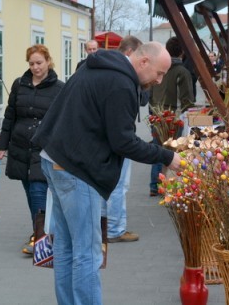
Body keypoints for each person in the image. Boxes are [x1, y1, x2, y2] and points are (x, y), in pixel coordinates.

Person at [32, 41, 182, 305]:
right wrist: (167, 157)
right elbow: (123, 141)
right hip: (77, 170)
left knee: (67, 247)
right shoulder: (121, 84)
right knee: (88, 253)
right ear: (143, 61)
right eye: (159, 73)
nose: (159, 81)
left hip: (55, 159)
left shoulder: (100, 66)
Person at [0, 44, 64, 255]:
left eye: (39, 63)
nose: (35, 67)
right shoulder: (19, 84)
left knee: (37, 190)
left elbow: (62, 120)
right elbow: (10, 117)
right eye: (32, 63)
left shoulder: (59, 88)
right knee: (29, 190)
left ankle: (40, 238)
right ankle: (39, 231)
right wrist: (1, 146)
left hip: (43, 148)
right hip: (20, 146)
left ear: (48, 62)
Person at [104, 35, 143, 244]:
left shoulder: (110, 70)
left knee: (113, 185)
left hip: (110, 139)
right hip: (117, 140)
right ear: (130, 53)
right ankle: (114, 228)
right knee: (119, 185)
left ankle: (108, 226)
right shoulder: (121, 79)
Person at [148, 36, 194, 196]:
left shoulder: (160, 70)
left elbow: (150, 93)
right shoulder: (182, 72)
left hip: (157, 116)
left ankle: (155, 185)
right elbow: (187, 99)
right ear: (182, 52)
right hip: (175, 118)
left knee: (158, 148)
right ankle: (168, 185)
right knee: (173, 151)